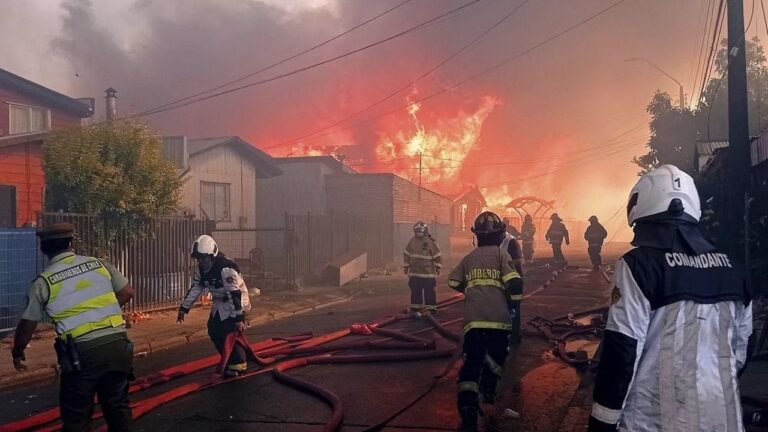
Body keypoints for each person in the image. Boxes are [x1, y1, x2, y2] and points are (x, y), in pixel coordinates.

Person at [588, 165, 752, 432]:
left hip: (653, 421)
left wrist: (601, 423)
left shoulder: (637, 266)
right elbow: (741, 350)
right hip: (723, 419)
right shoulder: (734, 270)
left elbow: (622, 351)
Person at [12, 223, 135, 431]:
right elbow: (127, 292)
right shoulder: (99, 264)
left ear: (43, 249)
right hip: (117, 346)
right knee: (117, 408)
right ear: (71, 242)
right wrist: (102, 311)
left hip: (81, 356)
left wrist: (18, 352)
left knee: (77, 418)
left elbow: (27, 325)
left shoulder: (43, 283)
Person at [448, 211, 523, 432]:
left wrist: (471, 290)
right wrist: (513, 305)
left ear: (477, 236)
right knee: (496, 361)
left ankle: (467, 406)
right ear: (500, 235)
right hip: (498, 321)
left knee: (472, 362)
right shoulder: (502, 256)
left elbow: (453, 281)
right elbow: (515, 284)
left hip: (473, 322)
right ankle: (488, 396)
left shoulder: (469, 258)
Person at [177, 235, 253, 377]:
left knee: (230, 331)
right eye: (199, 259)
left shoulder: (225, 268)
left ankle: (239, 364)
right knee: (214, 329)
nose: (202, 262)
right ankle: (229, 359)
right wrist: (184, 308)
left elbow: (234, 293)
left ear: (212, 254)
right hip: (220, 301)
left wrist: (238, 318)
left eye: (204, 258)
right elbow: (196, 288)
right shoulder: (202, 269)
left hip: (235, 302)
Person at [403, 221, 442, 314]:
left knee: (429, 291)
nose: (418, 234)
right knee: (415, 291)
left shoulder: (430, 242)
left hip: (427, 274)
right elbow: (407, 254)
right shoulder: (412, 241)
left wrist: (438, 267)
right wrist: (406, 266)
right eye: (417, 232)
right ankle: (416, 307)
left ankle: (430, 308)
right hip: (415, 273)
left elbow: (437, 255)